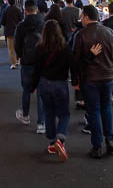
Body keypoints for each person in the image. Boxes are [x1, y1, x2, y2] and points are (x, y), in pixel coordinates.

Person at [73, 5, 113, 159]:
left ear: (87, 17)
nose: (81, 19)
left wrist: (76, 81)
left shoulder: (81, 35)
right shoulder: (109, 32)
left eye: (82, 17)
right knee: (106, 108)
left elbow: (75, 60)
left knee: (94, 111)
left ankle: (97, 145)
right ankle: (109, 140)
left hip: (90, 79)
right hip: (107, 78)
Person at [29, 20, 74, 161]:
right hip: (60, 84)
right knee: (64, 114)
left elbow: (36, 70)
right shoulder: (65, 48)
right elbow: (72, 66)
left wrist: (33, 86)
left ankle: (51, 143)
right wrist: (77, 82)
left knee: (49, 113)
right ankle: (60, 139)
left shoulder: (40, 47)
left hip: (44, 83)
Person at [14, 0, 46, 134]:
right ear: (36, 10)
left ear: (25, 10)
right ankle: (41, 124)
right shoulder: (44, 23)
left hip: (27, 61)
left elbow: (17, 44)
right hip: (42, 61)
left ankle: (26, 116)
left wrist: (20, 56)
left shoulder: (21, 26)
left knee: (26, 89)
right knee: (41, 92)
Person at [2, 0, 23, 69]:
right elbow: (21, 19)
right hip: (17, 30)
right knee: (17, 46)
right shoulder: (18, 10)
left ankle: (13, 63)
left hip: (9, 31)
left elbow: (3, 21)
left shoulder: (6, 10)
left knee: (10, 48)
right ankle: (18, 60)